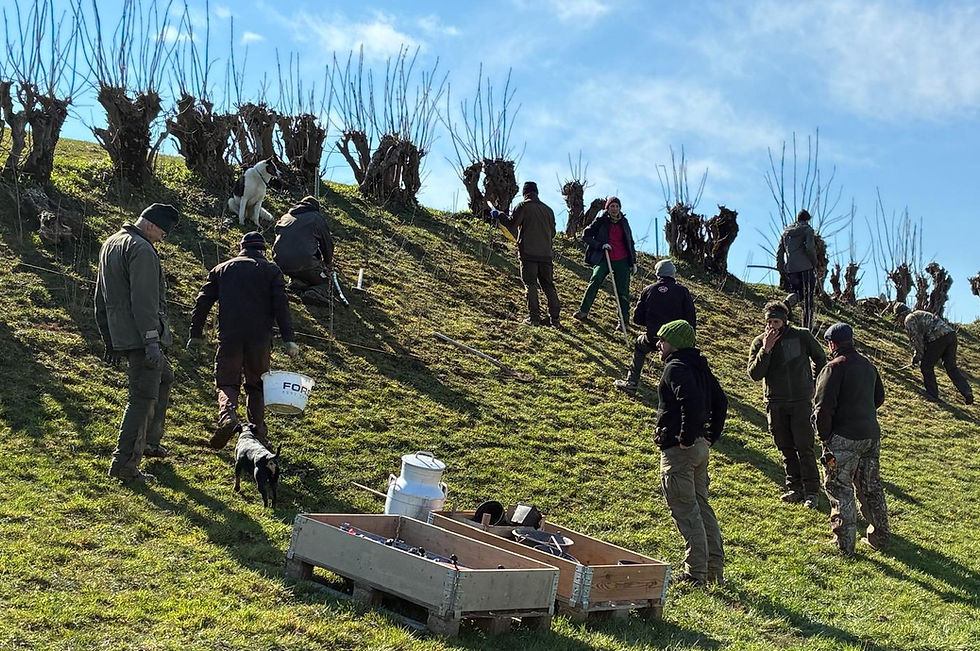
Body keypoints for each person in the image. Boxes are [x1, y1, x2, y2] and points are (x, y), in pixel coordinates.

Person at [188, 231, 300, 449]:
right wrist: (289, 340)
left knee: (227, 382)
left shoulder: (222, 269)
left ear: (241, 248)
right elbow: (281, 307)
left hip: (229, 337)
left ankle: (228, 417)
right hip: (260, 340)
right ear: (262, 251)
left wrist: (196, 333)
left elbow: (202, 302)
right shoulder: (271, 271)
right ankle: (258, 434)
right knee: (256, 386)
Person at [94, 203, 179, 484]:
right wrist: (152, 340)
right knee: (141, 399)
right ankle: (125, 466)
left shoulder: (111, 242)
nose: (162, 239)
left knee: (166, 376)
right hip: (143, 338)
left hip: (123, 334)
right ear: (153, 225)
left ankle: (151, 443)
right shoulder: (142, 249)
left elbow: (99, 297)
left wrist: (108, 338)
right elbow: (144, 301)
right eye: (163, 233)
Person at [654, 319, 728, 586]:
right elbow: (721, 401)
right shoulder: (700, 367)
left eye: (662, 340)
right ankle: (713, 570)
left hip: (681, 451)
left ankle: (694, 574)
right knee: (702, 508)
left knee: (687, 511)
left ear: (674, 342)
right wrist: (710, 436)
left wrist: (684, 438)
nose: (658, 345)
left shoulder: (675, 368)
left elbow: (691, 403)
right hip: (699, 449)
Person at [812, 322, 890, 556]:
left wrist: (825, 437)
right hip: (870, 437)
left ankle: (843, 544)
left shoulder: (833, 368)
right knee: (871, 488)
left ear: (832, 344)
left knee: (839, 488)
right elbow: (879, 398)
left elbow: (822, 408)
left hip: (842, 438)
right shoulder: (868, 365)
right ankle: (879, 538)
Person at [747, 300, 827, 508]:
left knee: (805, 447)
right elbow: (755, 374)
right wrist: (766, 350)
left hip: (801, 401)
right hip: (775, 402)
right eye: (769, 321)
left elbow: (821, 358)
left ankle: (812, 491)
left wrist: (814, 384)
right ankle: (794, 488)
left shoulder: (802, 335)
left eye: (776, 321)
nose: (772, 325)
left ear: (785, 321)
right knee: (785, 447)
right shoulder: (759, 342)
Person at [613, 258, 695, 396]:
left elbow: (637, 318)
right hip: (677, 343)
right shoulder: (682, 291)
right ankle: (679, 391)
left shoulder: (648, 290)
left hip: (653, 338)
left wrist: (652, 324)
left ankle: (631, 383)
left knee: (640, 346)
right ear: (673, 273)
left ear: (657, 274)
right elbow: (690, 319)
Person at [493, 181, 562, 327]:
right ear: (537, 192)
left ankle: (534, 318)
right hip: (546, 255)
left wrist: (500, 215)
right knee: (549, 285)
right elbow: (553, 233)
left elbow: (512, 223)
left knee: (530, 284)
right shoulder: (548, 210)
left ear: (524, 193)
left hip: (528, 253)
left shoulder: (523, 206)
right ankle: (555, 320)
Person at [573, 196, 637, 326]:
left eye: (617, 206)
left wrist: (633, 262)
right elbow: (586, 235)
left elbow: (630, 242)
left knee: (623, 290)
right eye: (612, 206)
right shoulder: (601, 221)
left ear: (620, 208)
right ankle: (583, 311)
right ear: (607, 208)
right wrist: (600, 245)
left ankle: (623, 320)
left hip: (622, 259)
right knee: (595, 280)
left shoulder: (624, 223)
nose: (614, 209)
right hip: (604, 257)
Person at [893, 303, 973, 404]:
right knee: (951, 367)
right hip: (951, 335)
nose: (899, 321)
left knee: (926, 366)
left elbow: (916, 340)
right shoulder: (919, 313)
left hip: (938, 337)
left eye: (898, 318)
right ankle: (967, 392)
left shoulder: (909, 320)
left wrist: (917, 356)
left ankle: (932, 394)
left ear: (901, 315)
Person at [272, 196, 336, 305]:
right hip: (304, 262)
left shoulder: (285, 217)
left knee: (302, 273)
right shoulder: (316, 218)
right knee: (327, 283)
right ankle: (315, 292)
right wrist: (328, 263)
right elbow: (327, 244)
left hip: (281, 263)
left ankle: (297, 282)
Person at [776, 209, 818, 329]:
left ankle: (788, 302)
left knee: (797, 293)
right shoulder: (808, 230)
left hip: (791, 268)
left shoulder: (786, 232)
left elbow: (780, 252)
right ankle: (807, 325)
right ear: (807, 219)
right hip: (806, 267)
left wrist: (781, 268)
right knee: (808, 296)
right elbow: (810, 248)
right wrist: (814, 262)